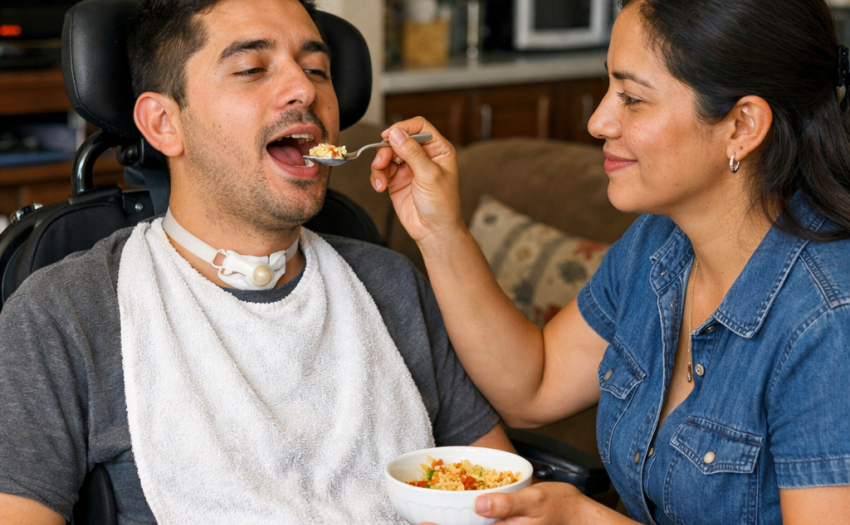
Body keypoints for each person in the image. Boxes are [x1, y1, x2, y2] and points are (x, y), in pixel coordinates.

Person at [0, 0, 514, 523]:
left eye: (317, 70)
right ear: (163, 123)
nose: (306, 90)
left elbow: (500, 493)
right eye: (251, 69)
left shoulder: (391, 285)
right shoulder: (63, 315)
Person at [371, 0, 850, 523]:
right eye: (608, 89)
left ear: (742, 125)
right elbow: (534, 384)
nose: (598, 121)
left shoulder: (829, 321)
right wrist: (440, 230)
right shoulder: (657, 244)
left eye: (633, 99)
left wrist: (588, 520)